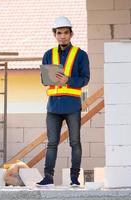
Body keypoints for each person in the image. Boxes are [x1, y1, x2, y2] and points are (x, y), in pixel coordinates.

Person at [36, 16, 90, 187]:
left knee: (75, 142)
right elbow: (43, 80)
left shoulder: (81, 55)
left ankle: (74, 178)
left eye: (66, 33)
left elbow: (85, 79)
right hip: (53, 106)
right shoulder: (48, 54)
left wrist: (68, 80)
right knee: (51, 143)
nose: (63, 36)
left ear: (71, 34)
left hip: (72, 106)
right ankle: (48, 178)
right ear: (55, 35)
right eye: (59, 33)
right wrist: (48, 78)